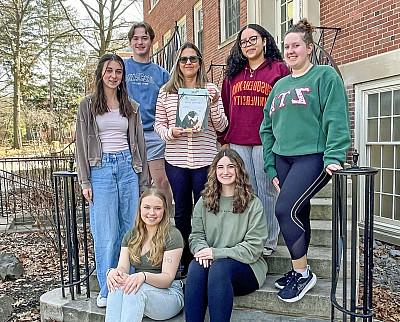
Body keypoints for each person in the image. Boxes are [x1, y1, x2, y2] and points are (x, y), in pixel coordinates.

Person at [259, 19, 351, 303]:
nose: (290, 50)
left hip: (312, 157)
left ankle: (302, 274)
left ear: (309, 48)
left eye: (296, 45)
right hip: (283, 160)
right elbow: (266, 127)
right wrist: (271, 165)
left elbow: (336, 116)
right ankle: (301, 267)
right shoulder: (280, 85)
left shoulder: (324, 76)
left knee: (285, 209)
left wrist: (335, 155)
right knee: (299, 213)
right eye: (286, 46)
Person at [75, 53, 148, 308]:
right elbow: (81, 146)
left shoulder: (131, 105)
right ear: (101, 73)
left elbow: (139, 144)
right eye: (109, 70)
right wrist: (85, 181)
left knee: (129, 229)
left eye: (118, 71)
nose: (114, 75)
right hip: (101, 170)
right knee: (106, 233)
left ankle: (129, 285)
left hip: (128, 167)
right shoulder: (87, 105)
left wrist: (143, 180)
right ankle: (107, 288)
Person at [154, 42, 228, 274]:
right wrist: (169, 133)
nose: (188, 63)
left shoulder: (211, 89)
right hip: (176, 160)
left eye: (193, 59)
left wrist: (214, 104)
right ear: (177, 63)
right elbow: (158, 123)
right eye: (184, 59)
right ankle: (184, 257)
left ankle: (204, 255)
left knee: (205, 209)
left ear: (200, 63)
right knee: (182, 211)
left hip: (205, 160)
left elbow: (222, 125)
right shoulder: (166, 92)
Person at [220, 24, 290, 256]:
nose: (248, 45)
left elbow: (285, 107)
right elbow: (224, 107)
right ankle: (251, 237)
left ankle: (268, 241)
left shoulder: (279, 70)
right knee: (246, 190)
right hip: (238, 140)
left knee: (268, 190)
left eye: (253, 39)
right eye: (244, 42)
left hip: (266, 141)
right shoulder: (233, 74)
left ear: (265, 41)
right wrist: (224, 140)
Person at [184, 148, 268, 322]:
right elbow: (196, 236)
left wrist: (216, 253)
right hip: (212, 267)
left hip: (246, 268)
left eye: (231, 166)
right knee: (195, 267)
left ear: (239, 170)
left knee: (220, 268)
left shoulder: (253, 203)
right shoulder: (204, 201)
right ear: (214, 171)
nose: (225, 172)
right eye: (220, 167)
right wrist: (202, 250)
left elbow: (253, 248)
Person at [105, 188, 184, 322]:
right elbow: (123, 268)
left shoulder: (172, 235)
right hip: (140, 293)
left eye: (157, 208)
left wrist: (144, 276)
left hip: (169, 294)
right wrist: (114, 273)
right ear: (140, 209)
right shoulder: (131, 235)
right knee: (117, 287)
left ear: (164, 210)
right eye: (147, 207)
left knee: (134, 290)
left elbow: (167, 279)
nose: (152, 213)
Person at [124, 22, 173, 207]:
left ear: (151, 40)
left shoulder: (161, 74)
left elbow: (171, 105)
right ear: (130, 42)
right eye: (136, 38)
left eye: (144, 38)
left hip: (153, 133)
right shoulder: (122, 67)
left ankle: (167, 225)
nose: (140, 42)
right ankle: (138, 227)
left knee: (161, 182)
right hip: (127, 133)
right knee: (134, 184)